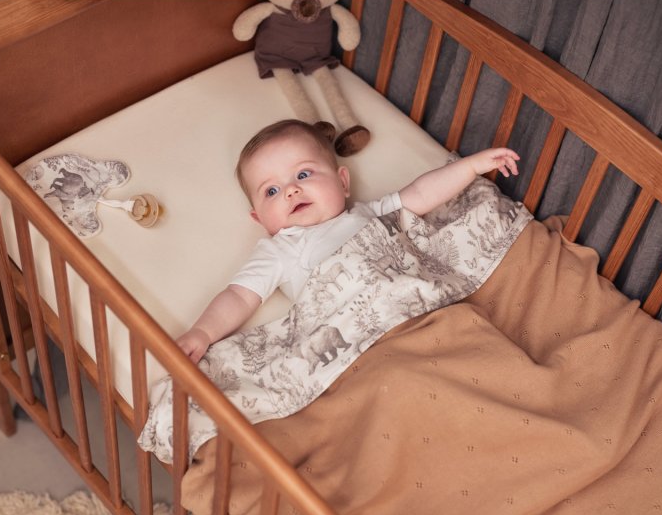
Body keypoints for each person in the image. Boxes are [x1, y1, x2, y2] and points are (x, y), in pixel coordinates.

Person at [175, 119, 520, 362]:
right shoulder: (281, 249)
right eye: (272, 191)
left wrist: (471, 167)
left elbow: (420, 193)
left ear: (342, 182)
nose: (291, 190)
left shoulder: (367, 213)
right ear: (260, 219)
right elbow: (239, 296)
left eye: (303, 174)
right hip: (367, 342)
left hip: (425, 306)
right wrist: (203, 333)